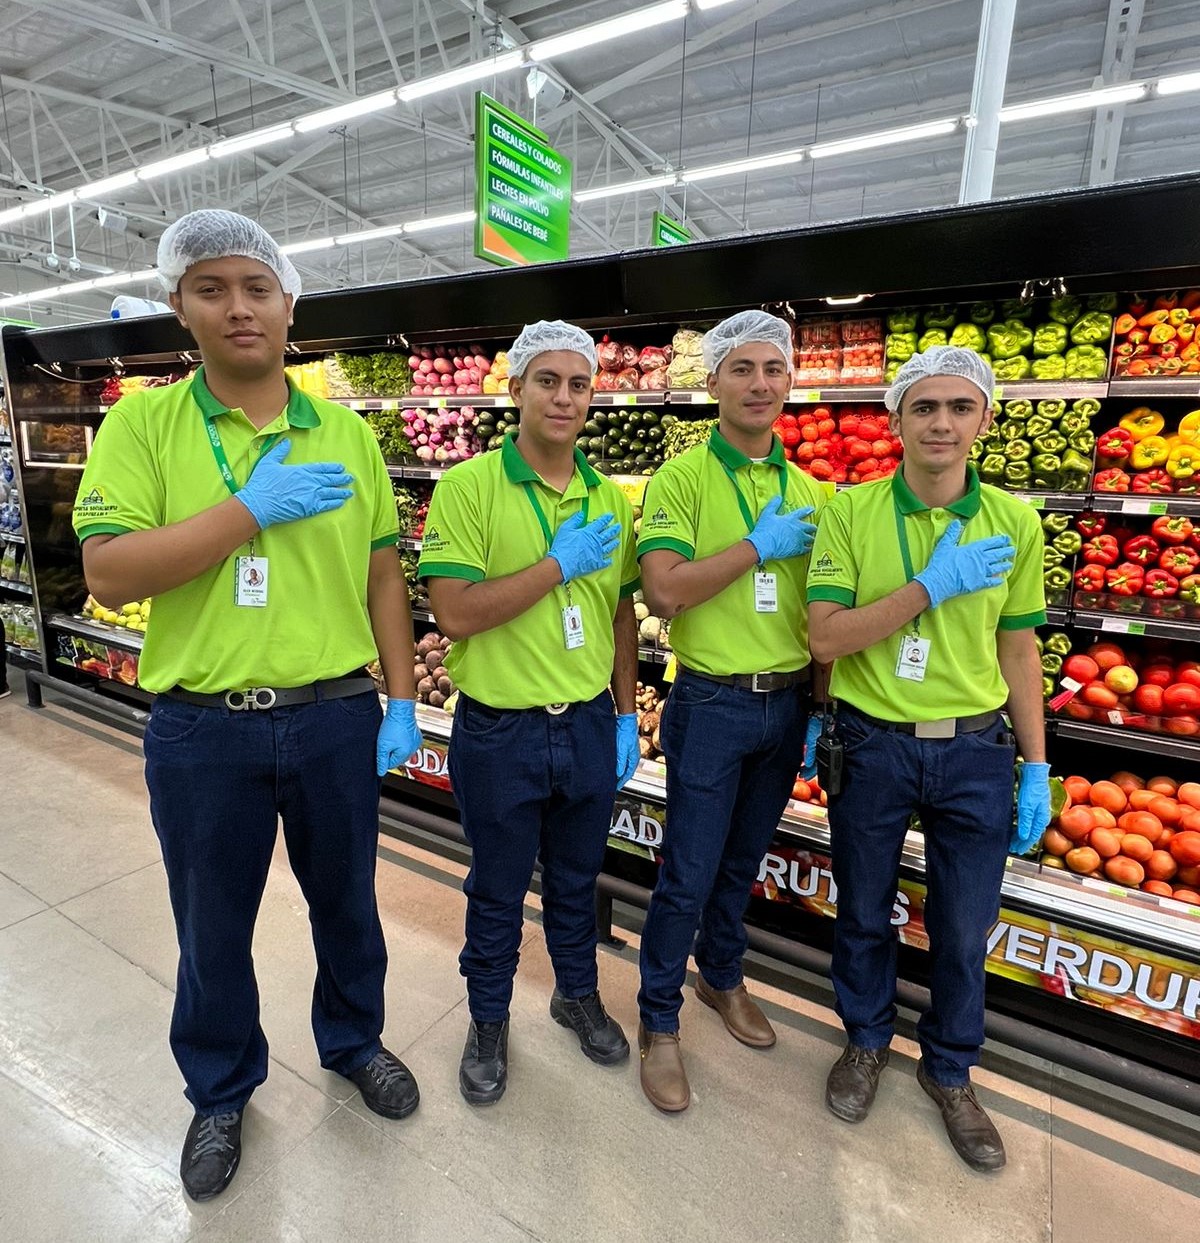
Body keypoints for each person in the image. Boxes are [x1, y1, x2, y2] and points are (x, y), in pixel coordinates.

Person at [71, 209, 424, 1202]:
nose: (238, 306)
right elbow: (106, 570)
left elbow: (383, 575)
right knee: (211, 925)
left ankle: (355, 1041)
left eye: (256, 287)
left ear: (288, 304)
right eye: (213, 287)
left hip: (334, 717)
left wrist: (397, 700)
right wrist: (246, 511)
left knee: (348, 906)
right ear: (181, 303)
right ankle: (221, 1088)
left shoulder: (347, 435)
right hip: (201, 728)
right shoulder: (144, 426)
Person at [806, 346, 1050, 1172]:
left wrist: (1036, 763)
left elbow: (1019, 650)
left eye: (958, 407)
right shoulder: (850, 512)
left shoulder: (1016, 523)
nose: (941, 422)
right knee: (864, 907)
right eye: (924, 407)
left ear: (984, 419)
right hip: (873, 742)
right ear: (897, 418)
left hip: (977, 749)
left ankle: (950, 1069)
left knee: (961, 924)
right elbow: (826, 636)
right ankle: (866, 1040)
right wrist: (929, 586)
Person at [418, 320, 640, 1106]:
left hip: (582, 723)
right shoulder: (469, 487)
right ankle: (486, 1018)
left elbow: (617, 613)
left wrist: (621, 711)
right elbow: (455, 613)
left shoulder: (608, 497)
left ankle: (575, 992)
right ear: (514, 389)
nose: (565, 397)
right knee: (498, 887)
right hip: (500, 729)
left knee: (579, 880)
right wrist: (555, 566)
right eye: (548, 380)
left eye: (580, 384)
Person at [634, 310, 826, 1113]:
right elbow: (664, 590)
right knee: (687, 871)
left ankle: (721, 977)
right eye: (741, 369)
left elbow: (824, 610)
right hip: (710, 700)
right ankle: (658, 1022)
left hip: (784, 706)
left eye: (772, 369)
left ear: (790, 382)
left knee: (742, 863)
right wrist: (757, 545)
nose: (759, 384)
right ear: (712, 381)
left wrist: (817, 708)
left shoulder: (815, 492)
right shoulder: (681, 479)